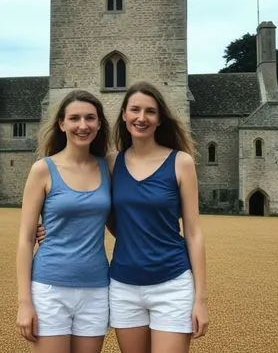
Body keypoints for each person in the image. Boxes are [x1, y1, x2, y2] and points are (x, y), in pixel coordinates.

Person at [37, 81, 208, 353]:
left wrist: (200, 298)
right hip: (124, 285)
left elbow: (194, 234)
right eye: (135, 110)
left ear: (160, 118)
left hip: (173, 283)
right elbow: (95, 206)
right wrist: (54, 229)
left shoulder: (181, 163)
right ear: (125, 116)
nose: (142, 118)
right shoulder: (111, 164)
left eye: (150, 111)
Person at [16, 90, 111, 353]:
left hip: (96, 288)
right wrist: (25, 302)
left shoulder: (107, 167)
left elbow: (122, 221)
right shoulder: (43, 169)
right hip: (50, 287)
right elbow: (25, 240)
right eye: (75, 118)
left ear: (99, 123)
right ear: (61, 123)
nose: (83, 125)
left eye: (90, 118)